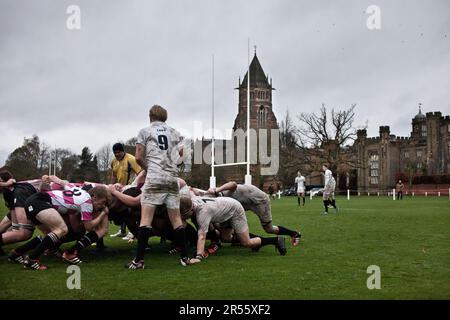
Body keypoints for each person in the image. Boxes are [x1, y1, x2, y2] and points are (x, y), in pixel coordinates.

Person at [126, 104, 191, 269]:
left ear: (150, 117)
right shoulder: (174, 132)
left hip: (155, 178)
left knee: (145, 220)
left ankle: (139, 261)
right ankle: (185, 258)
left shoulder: (145, 131)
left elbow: (138, 157)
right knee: (176, 220)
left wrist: (149, 168)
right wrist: (172, 166)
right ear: (165, 117)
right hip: (171, 179)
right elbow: (183, 155)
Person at [180, 196, 286, 263]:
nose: (185, 218)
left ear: (192, 209)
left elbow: (202, 236)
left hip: (234, 210)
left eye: (185, 215)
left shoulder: (203, 212)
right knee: (225, 238)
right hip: (225, 209)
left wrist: (198, 257)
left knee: (246, 242)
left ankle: (276, 240)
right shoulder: (191, 200)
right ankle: (257, 244)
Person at [206, 181, 301, 246]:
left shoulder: (221, 192)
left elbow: (233, 184)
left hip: (259, 201)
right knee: (225, 237)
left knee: (269, 229)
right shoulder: (216, 204)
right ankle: (256, 242)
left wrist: (216, 190)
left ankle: (294, 233)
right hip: (239, 206)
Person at [0, 170, 39, 255]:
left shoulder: (16, 190)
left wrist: (15, 228)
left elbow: (13, 209)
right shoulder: (9, 190)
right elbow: (13, 209)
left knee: (21, 231)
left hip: (28, 201)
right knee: (24, 233)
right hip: (26, 203)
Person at [109, 142, 142, 239]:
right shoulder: (114, 161)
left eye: (119, 152)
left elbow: (140, 173)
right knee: (121, 210)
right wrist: (110, 186)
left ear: (123, 151)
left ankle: (133, 231)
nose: (117, 154)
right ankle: (123, 230)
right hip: (119, 189)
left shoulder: (131, 159)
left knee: (130, 210)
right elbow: (114, 175)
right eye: (115, 153)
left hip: (131, 190)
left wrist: (137, 187)